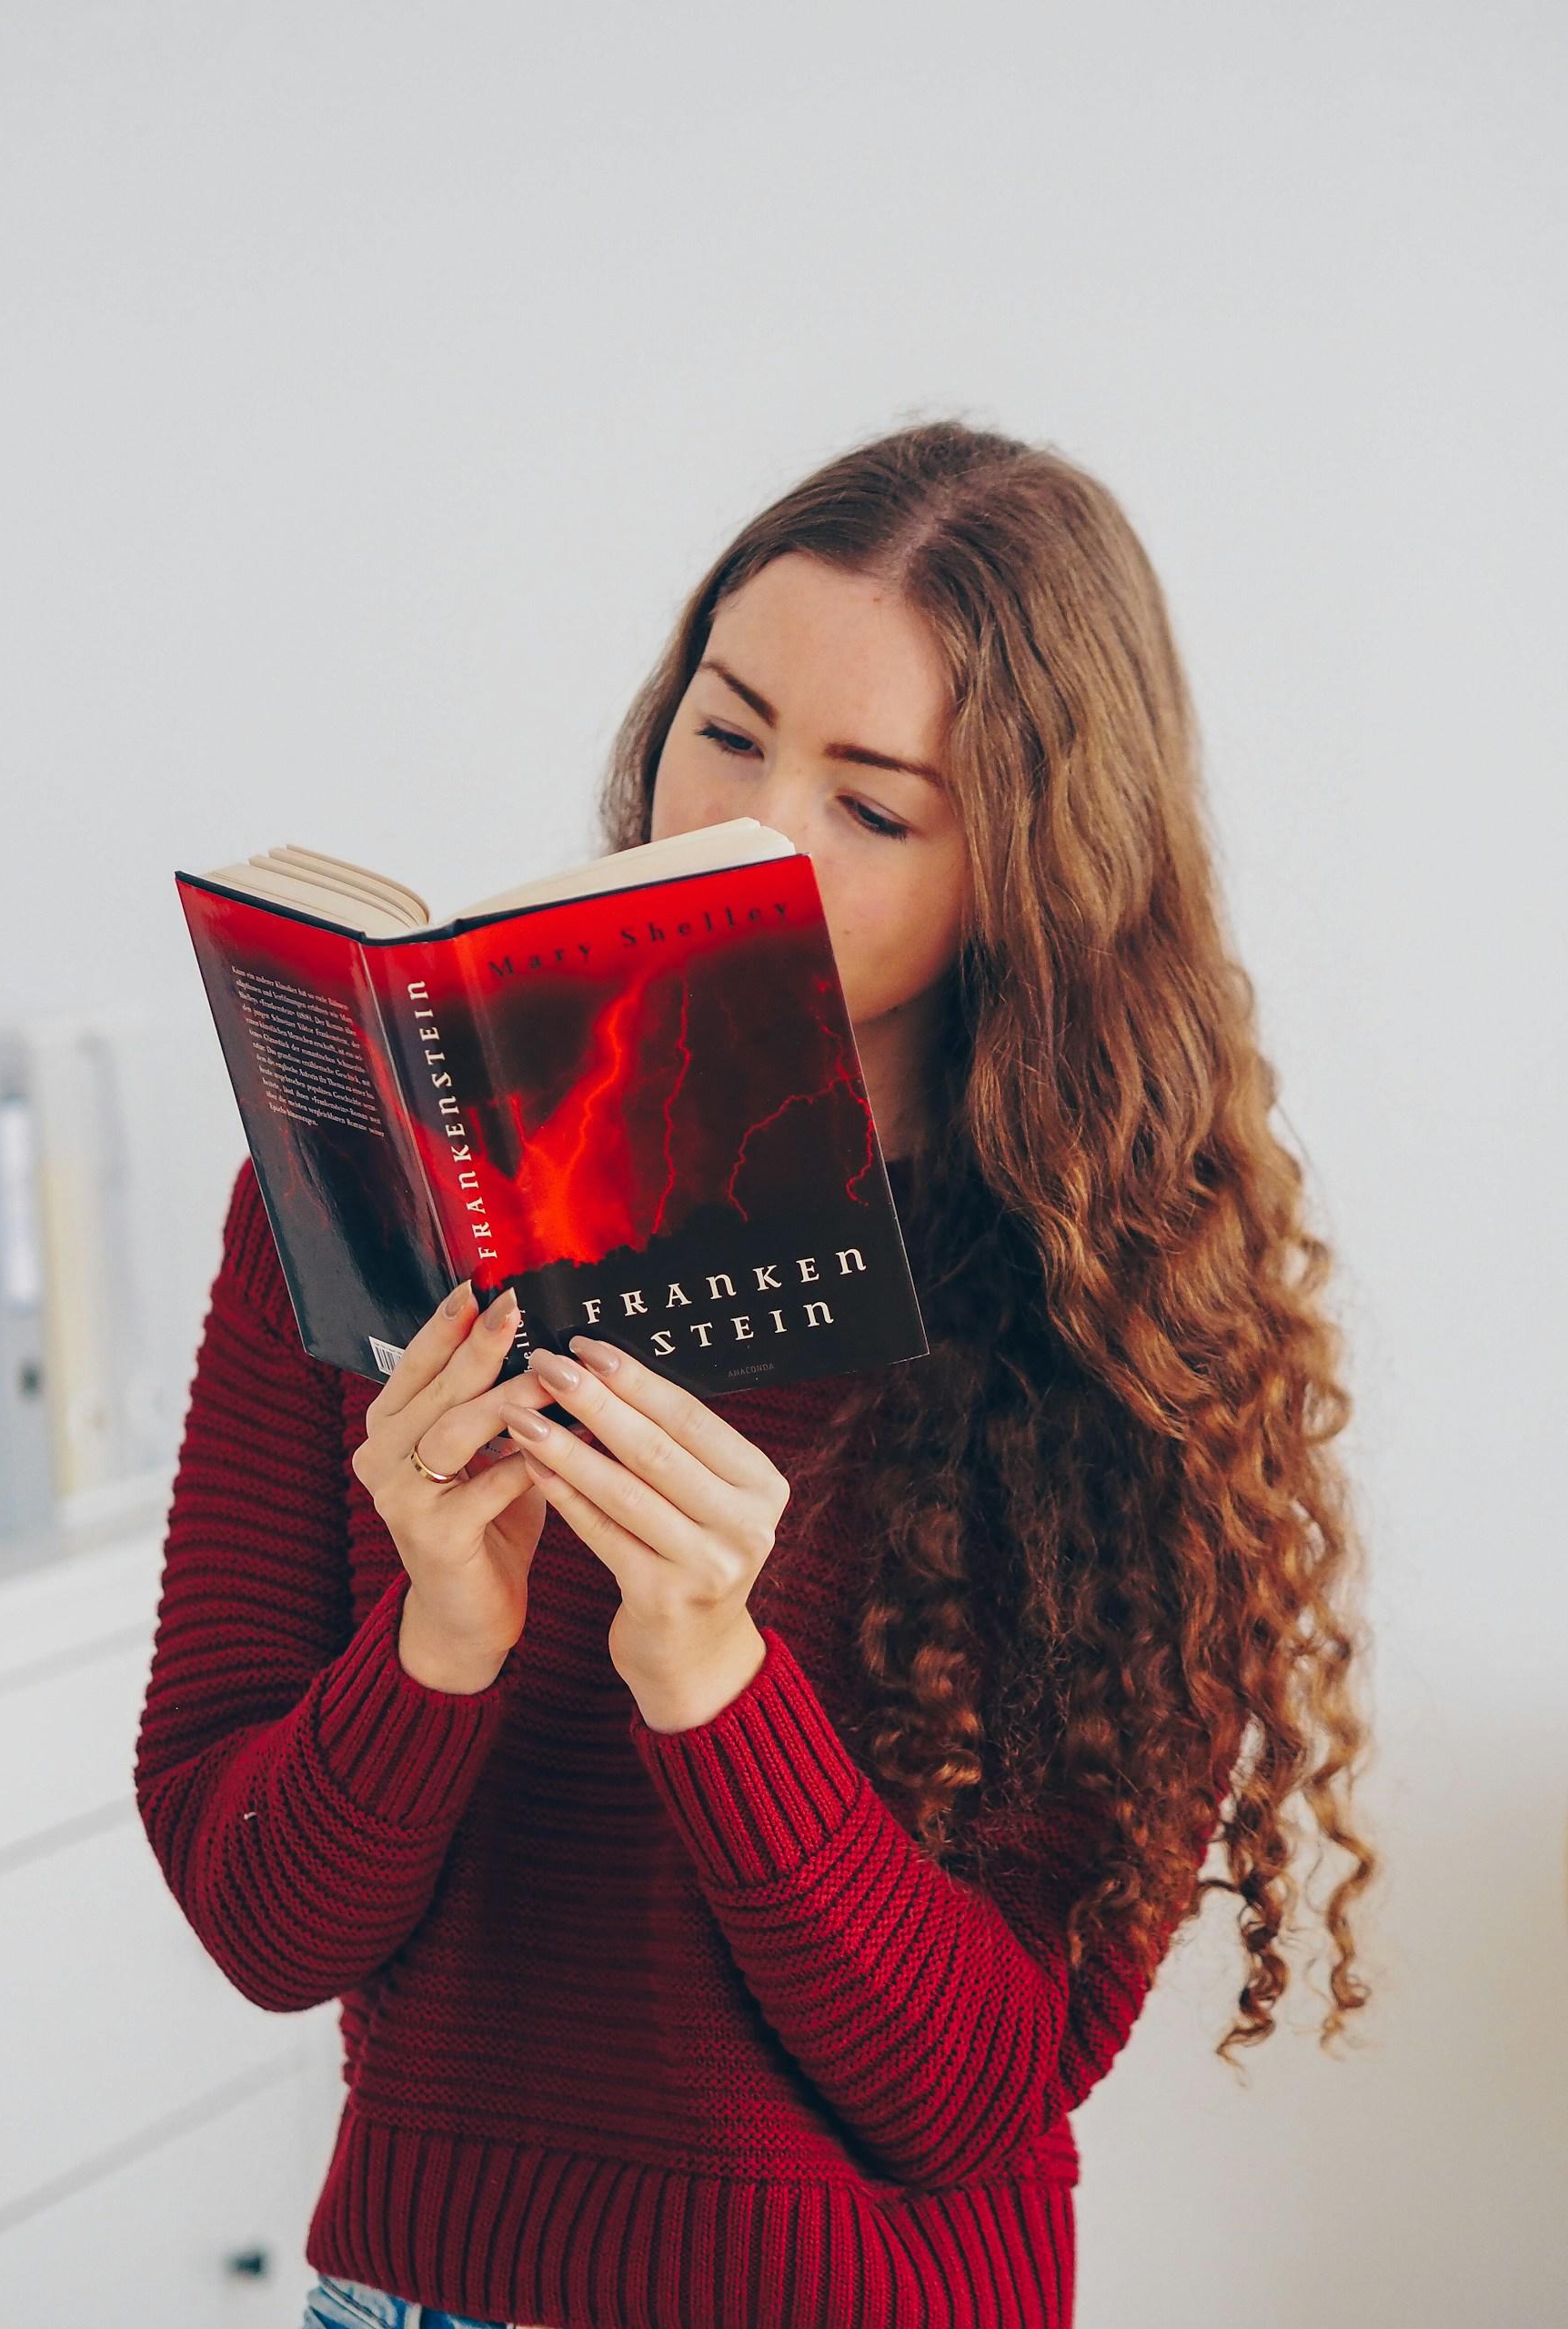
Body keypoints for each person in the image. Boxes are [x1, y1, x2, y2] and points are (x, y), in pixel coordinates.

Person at [135, 418, 1379, 2329]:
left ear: (1029, 873)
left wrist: (711, 1669)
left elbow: (976, 2087)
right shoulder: (359, 1198)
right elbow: (264, 1927)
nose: (748, 828)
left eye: (875, 805)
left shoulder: (1130, 1323)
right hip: (413, 2296)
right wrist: (442, 1631)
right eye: (725, 726)